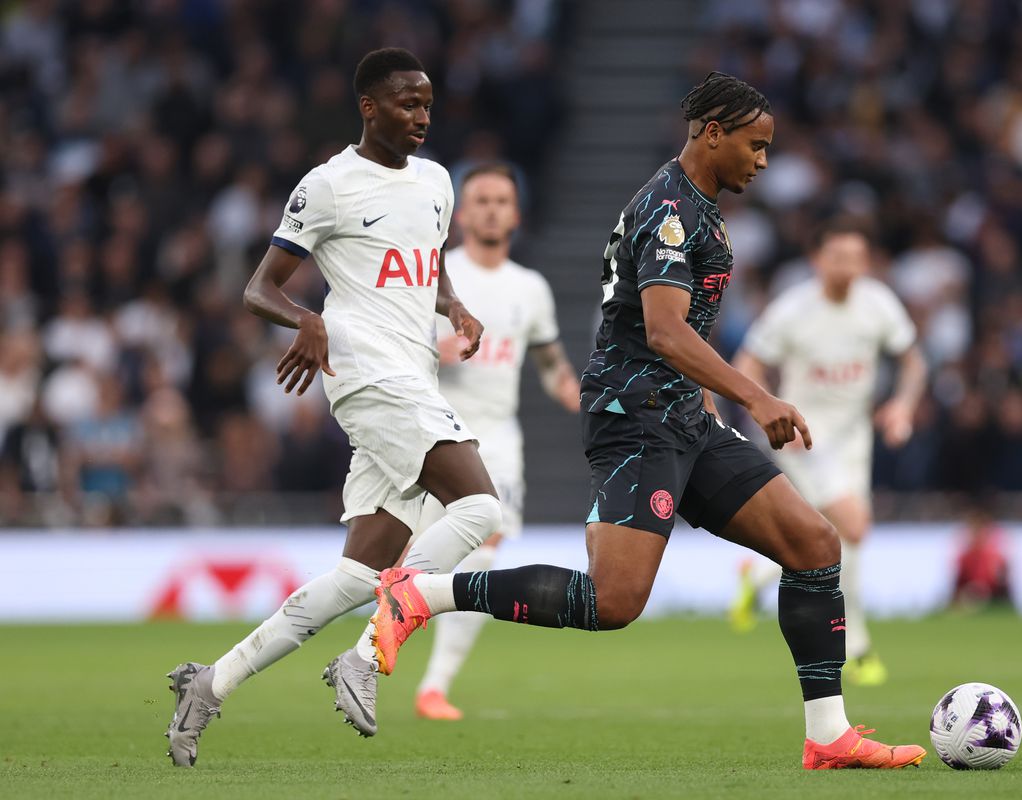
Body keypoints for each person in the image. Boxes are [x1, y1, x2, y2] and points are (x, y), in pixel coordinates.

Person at [369, 72, 926, 770]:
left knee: (815, 545)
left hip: (684, 415)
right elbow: (664, 330)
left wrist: (711, 400)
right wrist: (758, 397)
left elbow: (680, 330)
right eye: (755, 145)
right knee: (613, 601)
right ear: (712, 134)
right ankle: (421, 593)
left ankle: (829, 735)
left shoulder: (699, 206)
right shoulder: (669, 211)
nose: (763, 160)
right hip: (635, 418)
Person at [164, 48, 503, 767]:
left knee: (358, 576)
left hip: (414, 377)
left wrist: (454, 306)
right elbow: (259, 288)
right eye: (407, 103)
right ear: (369, 107)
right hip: (367, 375)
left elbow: (428, 264)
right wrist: (306, 318)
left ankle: (210, 682)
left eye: (427, 104)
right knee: (479, 508)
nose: (422, 116)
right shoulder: (328, 186)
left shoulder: (437, 182)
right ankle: (367, 654)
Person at [328, 162, 579, 729]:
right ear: (460, 214)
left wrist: (571, 389)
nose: (491, 210)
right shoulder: (433, 276)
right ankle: (363, 651)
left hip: (500, 442)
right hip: (432, 435)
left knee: (485, 550)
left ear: (516, 215)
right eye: (481, 200)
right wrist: (433, 353)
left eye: (501, 201)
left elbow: (548, 360)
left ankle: (434, 686)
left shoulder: (530, 288)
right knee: (398, 562)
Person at [728, 218, 927, 688]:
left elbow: (914, 362)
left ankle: (759, 574)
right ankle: (856, 647)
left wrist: (903, 405)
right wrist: (771, 412)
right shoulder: (793, 310)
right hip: (805, 439)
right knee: (853, 526)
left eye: (856, 258)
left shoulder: (878, 303)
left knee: (838, 538)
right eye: (838, 257)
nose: (848, 267)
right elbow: (747, 362)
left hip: (855, 441)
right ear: (816, 259)